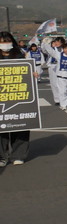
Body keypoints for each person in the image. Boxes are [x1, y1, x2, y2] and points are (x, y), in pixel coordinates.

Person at [0, 31, 31, 166]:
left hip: (19, 95)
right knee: (2, 128)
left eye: (7, 41)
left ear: (12, 42)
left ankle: (18, 154)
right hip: (2, 97)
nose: (4, 44)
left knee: (21, 124)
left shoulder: (21, 56)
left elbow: (28, 72)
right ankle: (2, 156)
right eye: (1, 42)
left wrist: (33, 74)